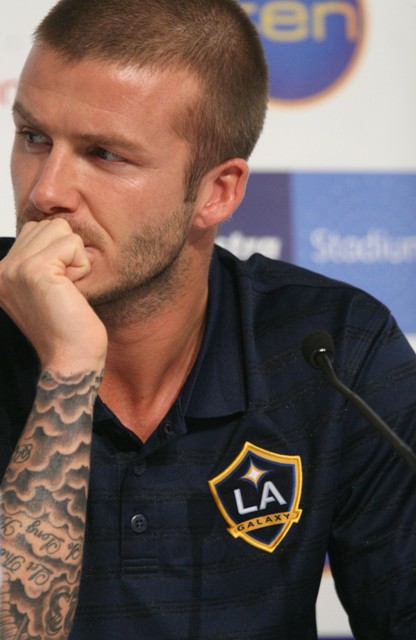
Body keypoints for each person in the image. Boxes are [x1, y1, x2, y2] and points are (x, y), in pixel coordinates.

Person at [0, 0, 415, 638]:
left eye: (105, 154)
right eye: (34, 137)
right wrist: (69, 369)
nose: (45, 192)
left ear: (217, 192)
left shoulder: (334, 350)